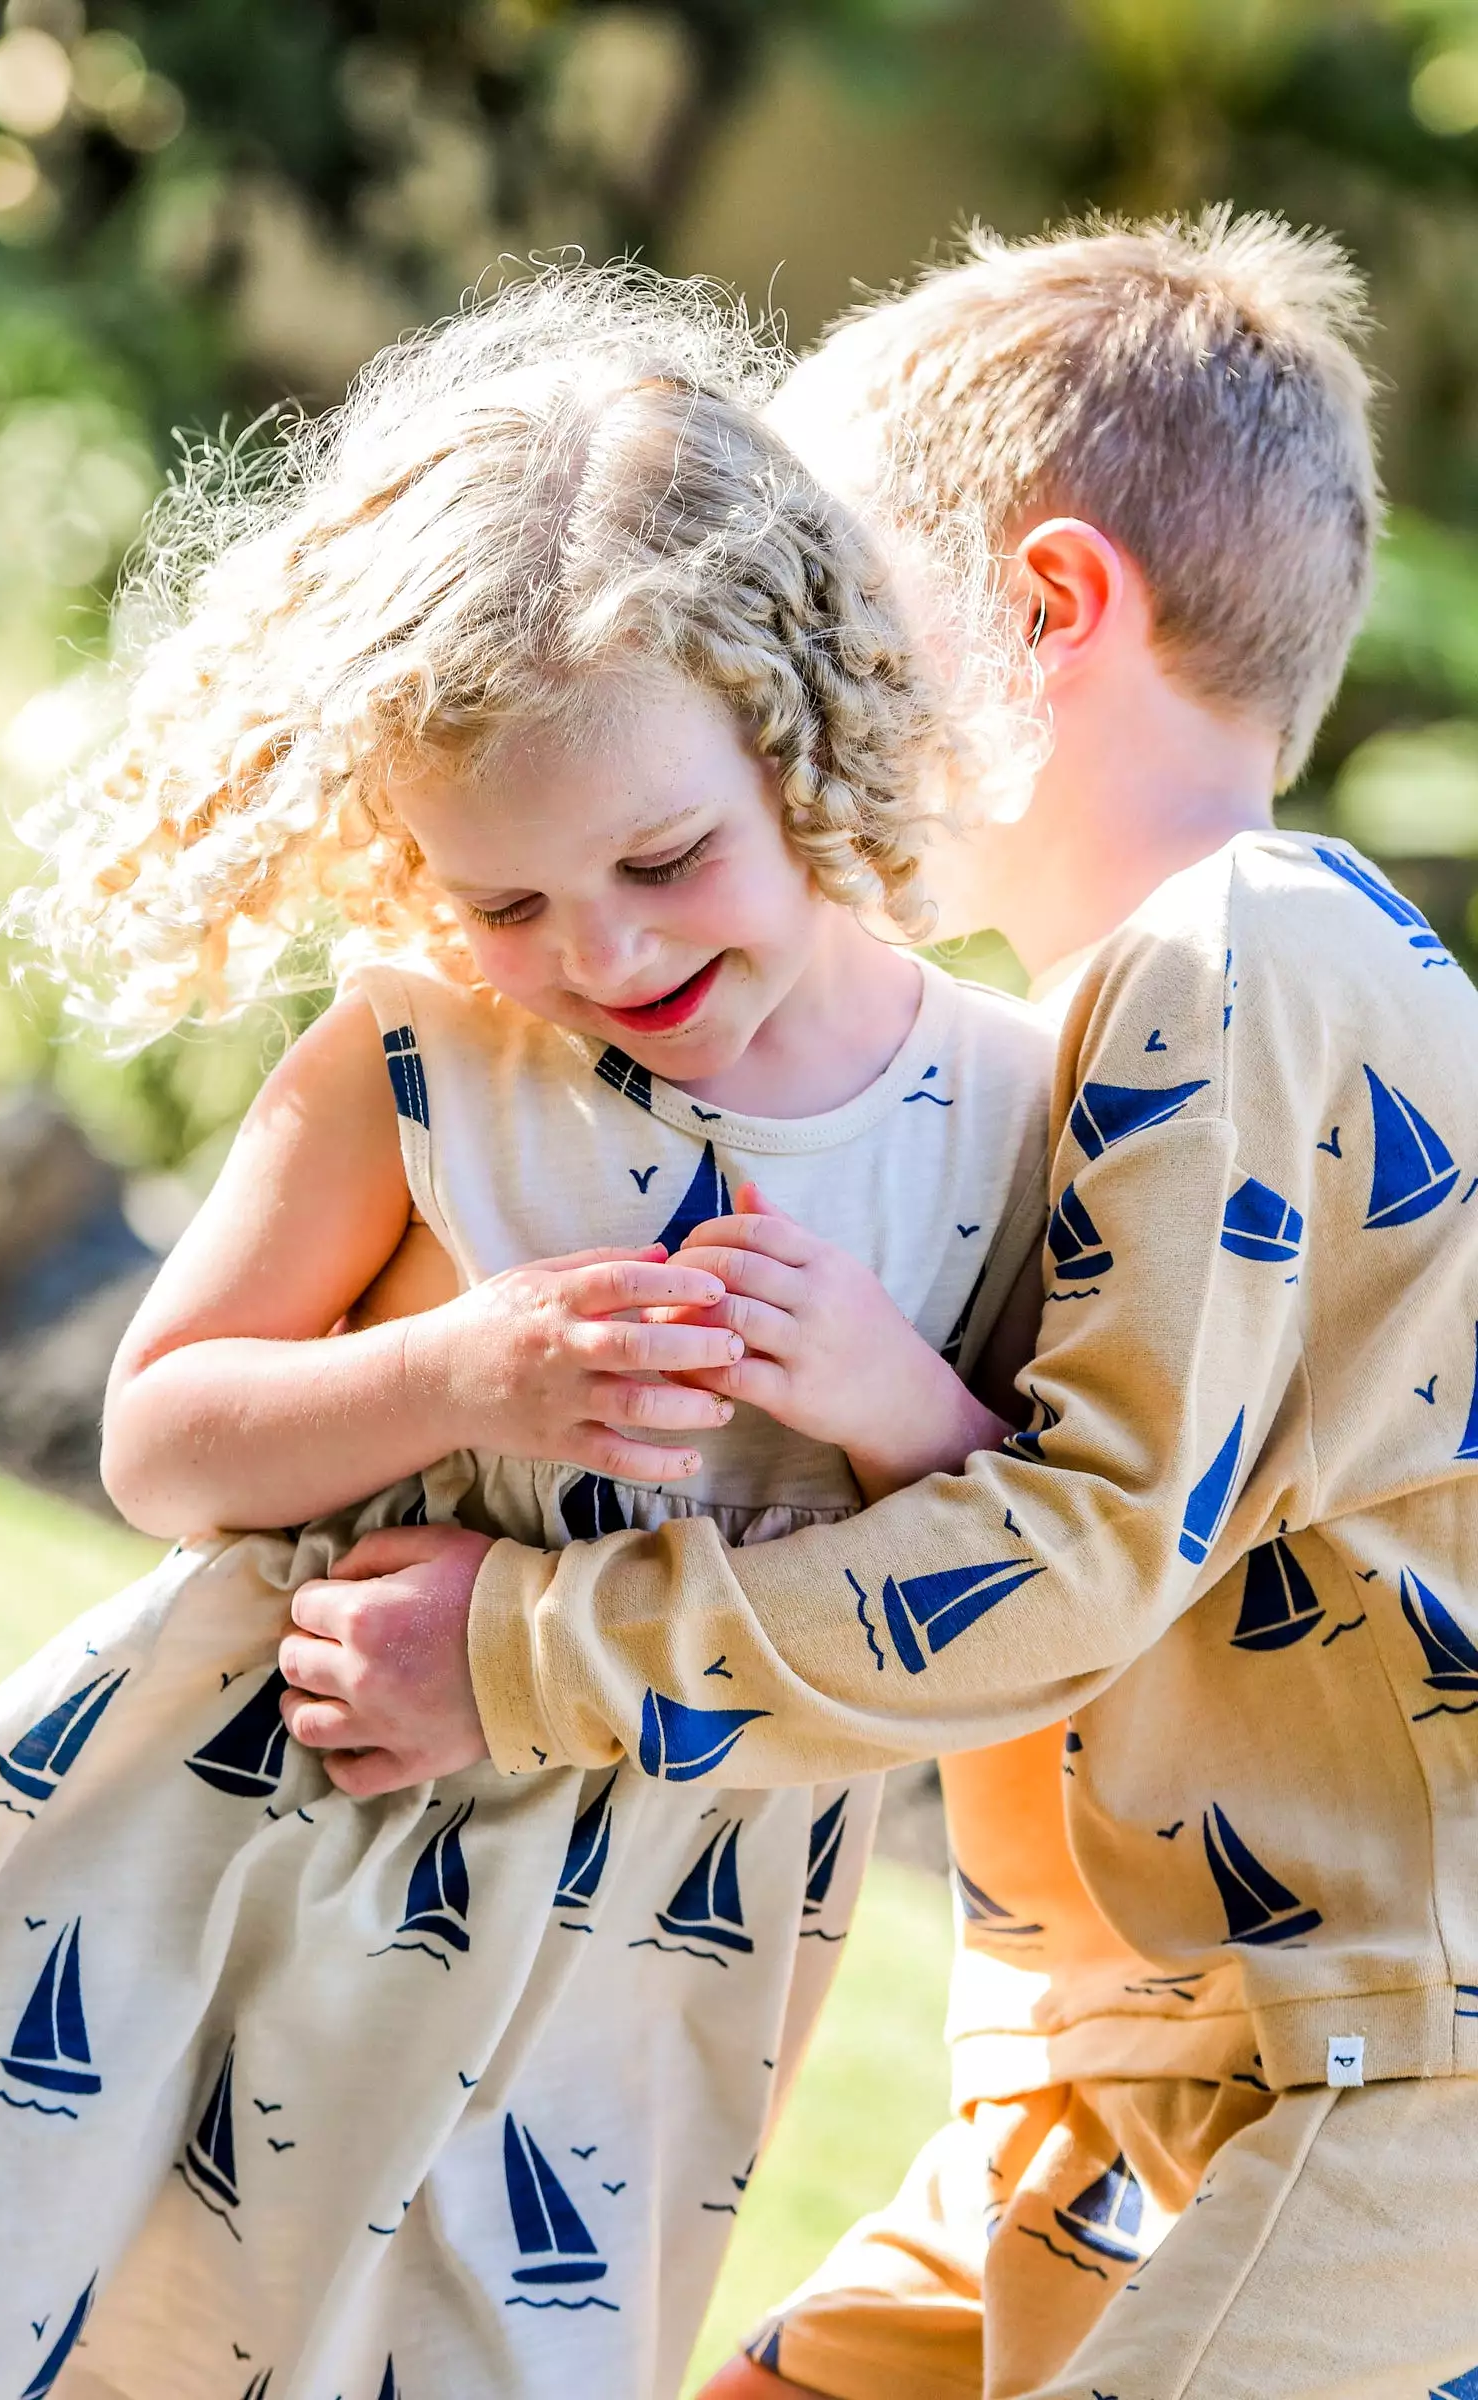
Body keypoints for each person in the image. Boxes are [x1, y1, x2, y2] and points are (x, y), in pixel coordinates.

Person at [290, 214, 1478, 2397]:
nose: (777, 685)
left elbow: (1062, 1564)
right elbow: (1123, 1545)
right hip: (1120, 2087)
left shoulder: (1245, 956)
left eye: (823, 603)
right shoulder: (1089, 1050)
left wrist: (511, 1655)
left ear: (1045, 602)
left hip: (1380, 2093)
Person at [0, 267, 1056, 2400]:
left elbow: (1029, 1589)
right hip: (224, 1852)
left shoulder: (1008, 1111)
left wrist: (896, 1402)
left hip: (623, 1978)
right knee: (21, 2319)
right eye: (504, 900)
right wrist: (450, 1372)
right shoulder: (420, 1053)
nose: (594, 948)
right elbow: (165, 1437)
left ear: (801, 734)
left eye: (662, 856)